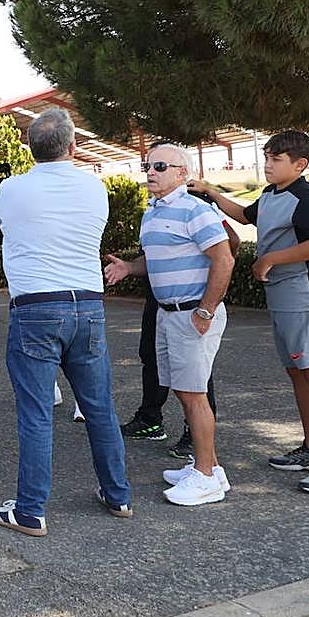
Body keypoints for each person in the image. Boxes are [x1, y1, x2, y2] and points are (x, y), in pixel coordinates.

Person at [0, 107, 130, 536]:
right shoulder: (94, 188)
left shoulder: (13, 188)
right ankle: (117, 494)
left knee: (36, 414)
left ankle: (30, 510)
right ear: (73, 145)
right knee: (99, 407)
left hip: (35, 309)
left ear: (30, 148)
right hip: (88, 306)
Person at [105, 145, 235, 506]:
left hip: (192, 314)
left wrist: (206, 311)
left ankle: (206, 476)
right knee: (182, 390)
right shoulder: (155, 211)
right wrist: (130, 268)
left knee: (194, 395)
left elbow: (224, 258)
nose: (150, 171)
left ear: (182, 173)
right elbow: (159, 258)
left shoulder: (195, 209)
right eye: (147, 165)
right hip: (168, 313)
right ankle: (209, 465)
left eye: (160, 166)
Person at [190, 130, 309, 495]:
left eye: (276, 159)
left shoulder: (305, 198)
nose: (268, 165)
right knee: (297, 372)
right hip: (281, 295)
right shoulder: (271, 195)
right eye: (267, 158)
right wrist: (212, 193)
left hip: (301, 294)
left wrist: (272, 258)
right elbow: (245, 216)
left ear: (300, 164)